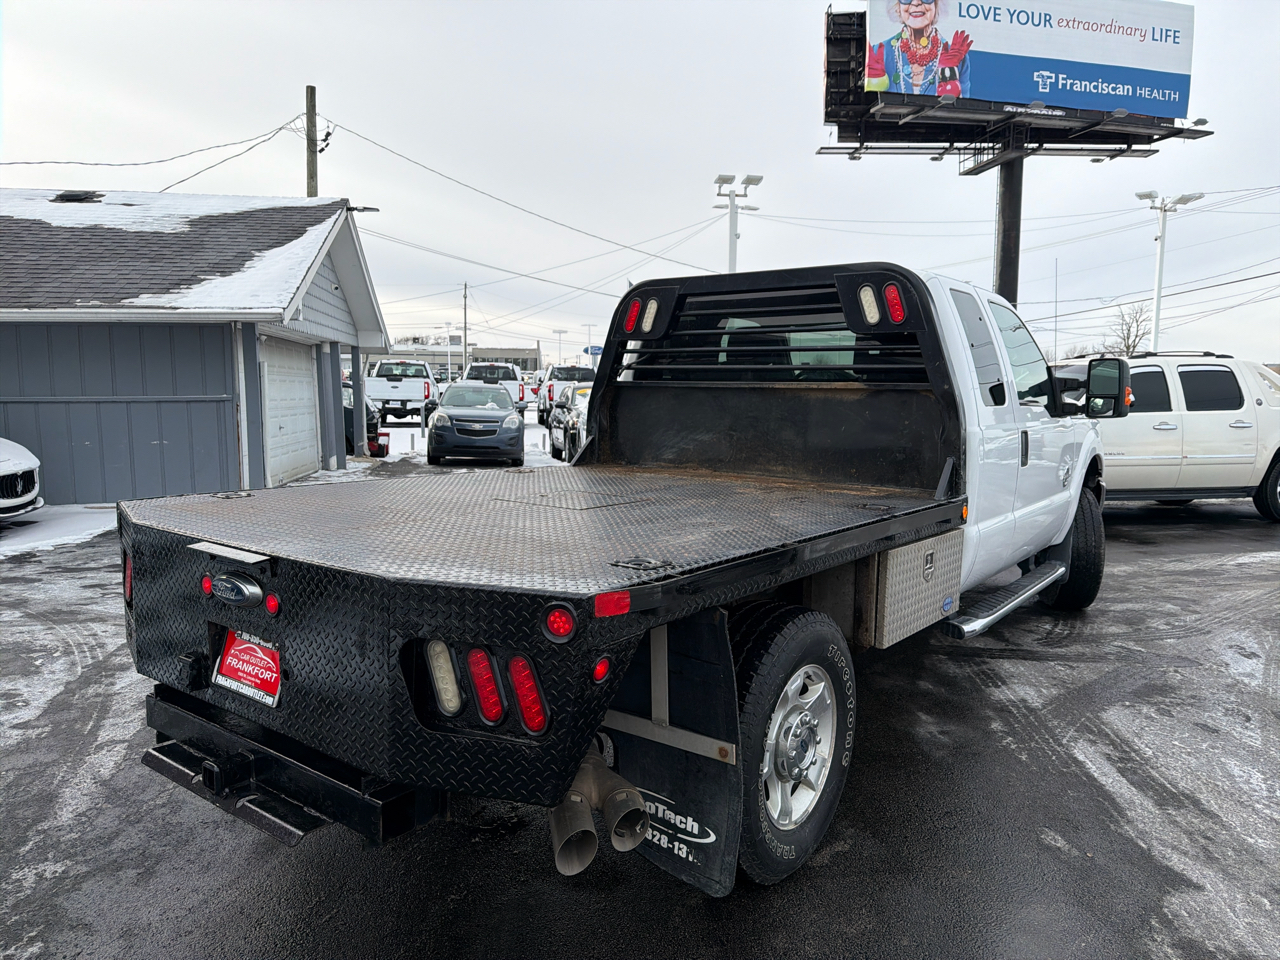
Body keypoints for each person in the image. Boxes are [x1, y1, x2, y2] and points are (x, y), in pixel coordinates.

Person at [866, 0, 972, 97]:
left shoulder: (957, 57)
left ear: (936, 5)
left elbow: (965, 110)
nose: (916, 2)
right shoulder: (879, 53)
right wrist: (874, 84)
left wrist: (949, 75)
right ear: (898, 6)